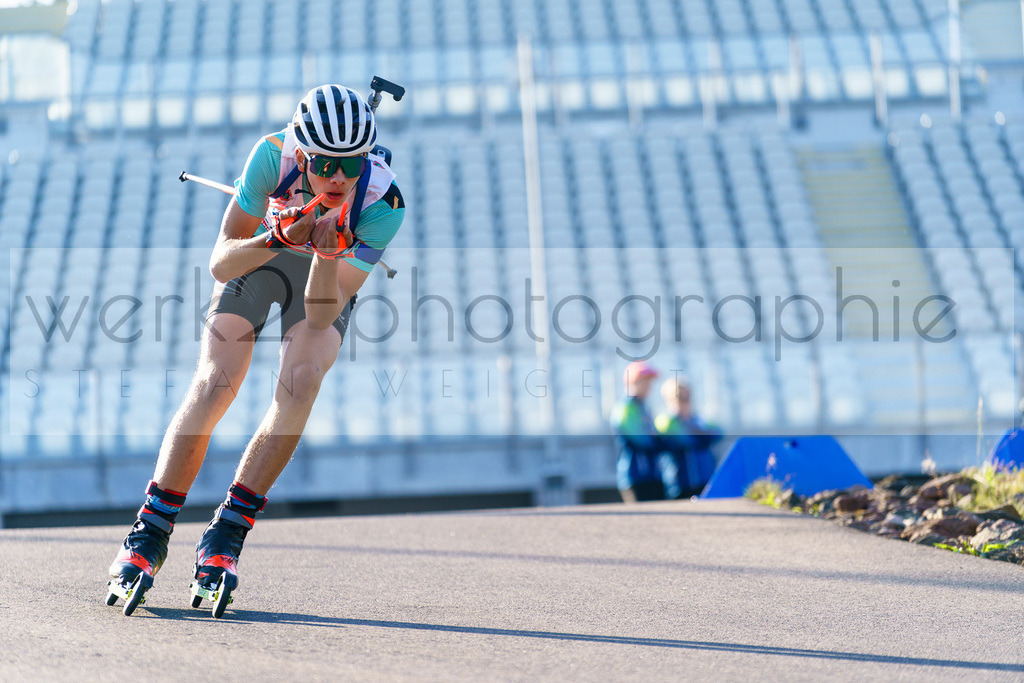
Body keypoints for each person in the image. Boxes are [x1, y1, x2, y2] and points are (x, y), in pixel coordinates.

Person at [106, 84, 405, 615]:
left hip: (324, 276)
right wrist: (275, 239)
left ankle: (227, 533)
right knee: (215, 381)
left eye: (352, 165)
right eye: (324, 164)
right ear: (300, 152)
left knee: (303, 378)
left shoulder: (384, 202)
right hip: (266, 254)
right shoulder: (271, 156)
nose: (339, 178)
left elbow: (319, 314)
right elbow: (221, 262)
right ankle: (149, 532)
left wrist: (326, 251)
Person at [610, 361, 675, 503]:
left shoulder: (643, 406)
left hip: (652, 474)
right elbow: (641, 440)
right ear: (633, 382)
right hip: (636, 476)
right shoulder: (626, 407)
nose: (649, 387)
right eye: (644, 381)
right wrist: (665, 443)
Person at [656, 376, 723, 499]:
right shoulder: (666, 421)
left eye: (686, 398)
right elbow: (682, 440)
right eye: (678, 398)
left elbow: (718, 433)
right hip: (678, 484)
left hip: (704, 480)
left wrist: (695, 429)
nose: (683, 402)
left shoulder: (698, 420)